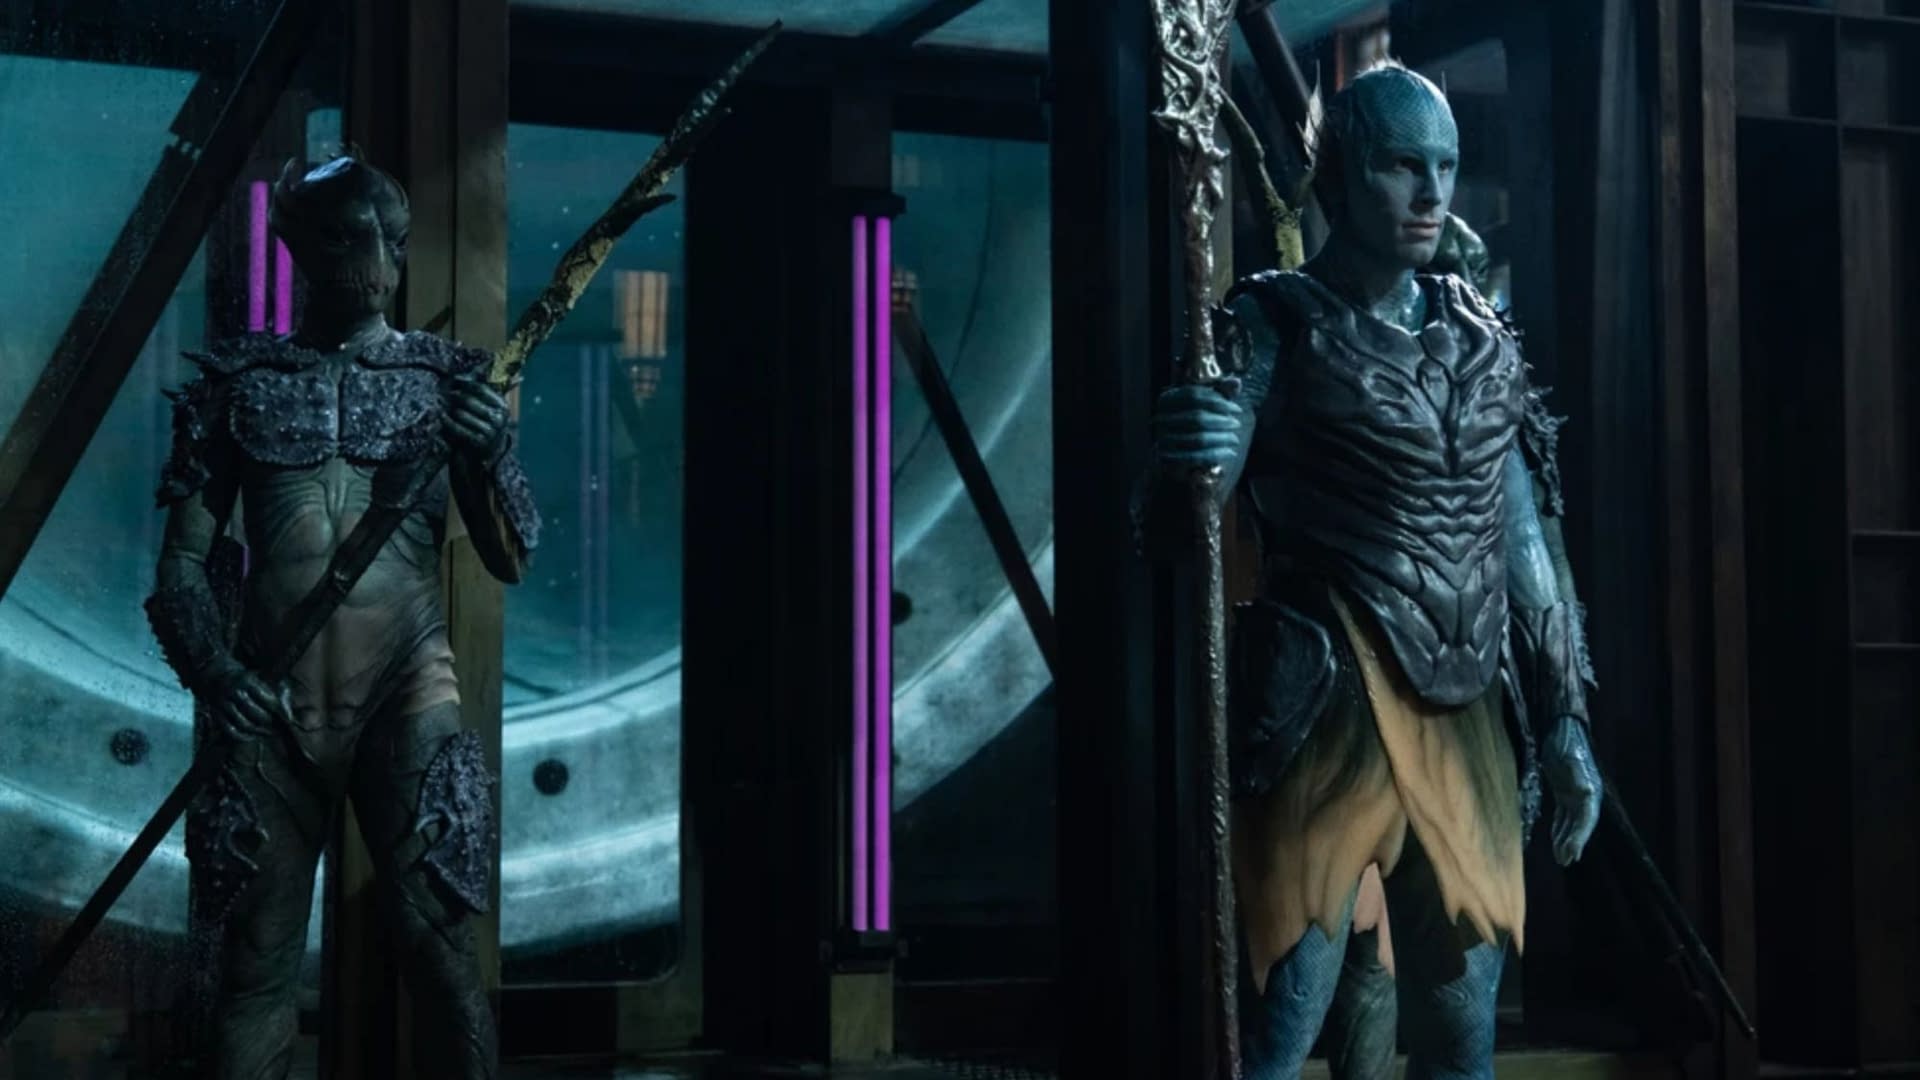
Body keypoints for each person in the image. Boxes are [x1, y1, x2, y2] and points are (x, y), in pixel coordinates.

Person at [1139, 64, 1602, 1079]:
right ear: (1343, 177)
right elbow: (1183, 523)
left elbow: (1526, 540)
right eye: (1403, 166)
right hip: (1326, 697)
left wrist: (1565, 719)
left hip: (1468, 709)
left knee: (1461, 1023)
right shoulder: (1269, 322)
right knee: (1284, 1013)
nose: (1432, 193)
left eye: (1447, 166)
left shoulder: (1481, 335)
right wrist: (1194, 458)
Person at [144, 154, 538, 1079]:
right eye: (348, 236)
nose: (373, 257)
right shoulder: (240, 384)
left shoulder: (450, 385)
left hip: (410, 691)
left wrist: (489, 454)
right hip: (269, 705)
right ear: (300, 246)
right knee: (254, 968)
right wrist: (218, 676)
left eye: (388, 237)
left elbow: (511, 554)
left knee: (442, 952)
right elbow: (182, 567)